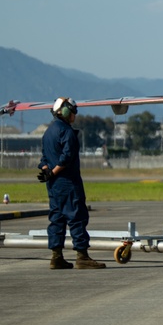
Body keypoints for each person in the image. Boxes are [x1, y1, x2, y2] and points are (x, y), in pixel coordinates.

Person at [38, 97, 105, 269]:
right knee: (77, 217)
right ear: (64, 111)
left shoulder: (48, 132)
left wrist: (47, 172)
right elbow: (66, 158)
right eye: (72, 110)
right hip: (68, 182)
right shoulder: (67, 132)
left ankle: (56, 256)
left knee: (57, 219)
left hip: (53, 185)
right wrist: (53, 171)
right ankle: (82, 256)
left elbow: (44, 158)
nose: (75, 114)